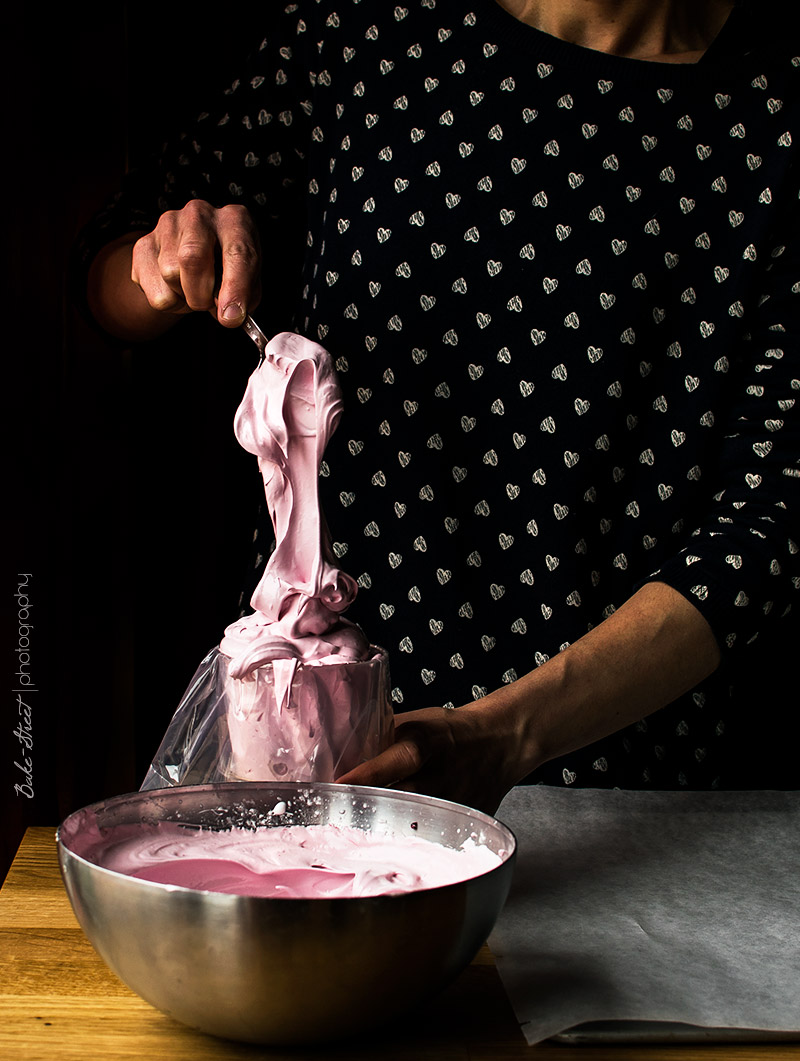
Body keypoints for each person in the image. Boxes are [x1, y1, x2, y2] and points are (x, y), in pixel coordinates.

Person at [79, 0, 799, 809]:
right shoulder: (367, 25)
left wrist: (505, 735)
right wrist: (162, 267)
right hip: (301, 738)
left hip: (607, 787)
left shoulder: (779, 114)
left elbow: (769, 527)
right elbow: (109, 283)